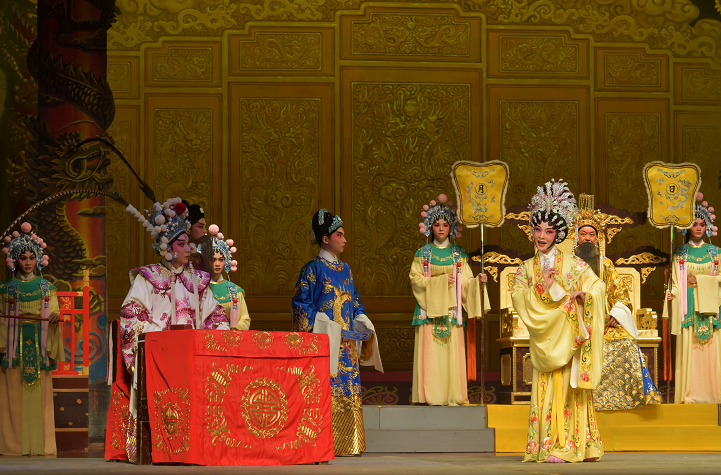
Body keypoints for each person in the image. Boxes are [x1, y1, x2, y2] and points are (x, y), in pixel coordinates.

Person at [106, 197, 229, 463]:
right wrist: (160, 335)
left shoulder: (198, 280)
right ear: (167, 248)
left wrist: (219, 332)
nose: (188, 249)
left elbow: (215, 314)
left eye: (188, 243)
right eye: (181, 244)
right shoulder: (148, 278)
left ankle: (196, 446)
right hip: (159, 353)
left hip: (191, 354)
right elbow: (130, 314)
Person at [511, 180, 605, 463]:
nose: (541, 236)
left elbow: (597, 286)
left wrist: (585, 296)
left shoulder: (575, 264)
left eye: (549, 230)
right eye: (537, 229)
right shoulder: (526, 269)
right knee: (547, 390)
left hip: (569, 339)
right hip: (545, 341)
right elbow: (518, 298)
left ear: (559, 233)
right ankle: (549, 443)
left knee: (568, 390)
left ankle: (574, 445)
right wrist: (542, 287)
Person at [291, 209, 383, 456]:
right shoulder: (312, 269)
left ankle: (348, 443)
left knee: (347, 387)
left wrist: (361, 317)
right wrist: (321, 322)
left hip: (346, 345)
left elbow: (354, 300)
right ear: (325, 239)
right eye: (339, 235)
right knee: (324, 388)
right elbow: (301, 304)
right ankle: (321, 443)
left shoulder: (346, 269)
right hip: (325, 343)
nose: (344, 240)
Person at [572, 195, 661, 410]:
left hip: (602, 323)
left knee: (627, 342)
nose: (587, 238)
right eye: (583, 234)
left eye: (591, 234)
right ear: (576, 237)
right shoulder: (567, 264)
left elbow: (621, 294)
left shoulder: (606, 265)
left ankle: (624, 399)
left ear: (597, 238)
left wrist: (616, 315)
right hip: (574, 321)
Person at [409, 193, 489, 406]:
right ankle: (428, 395)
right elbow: (415, 280)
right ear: (430, 227)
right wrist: (442, 281)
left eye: (445, 225)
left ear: (451, 227)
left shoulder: (459, 254)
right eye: (437, 225)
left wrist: (477, 283)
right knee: (431, 355)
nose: (441, 229)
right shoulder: (422, 253)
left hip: (452, 311)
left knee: (452, 355)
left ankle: (453, 395)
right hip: (428, 311)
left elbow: (466, 283)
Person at [0, 222, 64, 456]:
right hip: (13, 347)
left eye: (31, 257)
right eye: (22, 257)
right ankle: (13, 446)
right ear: (14, 260)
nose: (28, 262)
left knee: (40, 399)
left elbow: (54, 310)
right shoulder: (5, 288)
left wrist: (54, 316)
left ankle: (41, 446)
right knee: (12, 397)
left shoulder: (47, 287)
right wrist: (4, 345)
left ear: (38, 259)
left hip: (40, 345)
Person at [665, 194, 720, 404]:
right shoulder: (680, 253)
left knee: (712, 353)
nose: (698, 228)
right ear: (687, 227)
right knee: (691, 352)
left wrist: (700, 280)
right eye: (694, 224)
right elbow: (675, 282)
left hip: (710, 307)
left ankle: (714, 395)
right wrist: (672, 293)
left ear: (708, 227)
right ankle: (689, 395)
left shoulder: (716, 253)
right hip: (688, 306)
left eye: (702, 224)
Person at [199, 224, 250, 331]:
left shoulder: (234, 291)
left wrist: (236, 328)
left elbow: (244, 319)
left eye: (221, 259)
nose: (217, 264)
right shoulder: (199, 288)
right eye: (213, 260)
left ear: (226, 261)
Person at [183, 200, 206, 270]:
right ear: (189, 230)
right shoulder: (181, 258)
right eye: (201, 227)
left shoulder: (201, 258)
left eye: (205, 227)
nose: (205, 231)